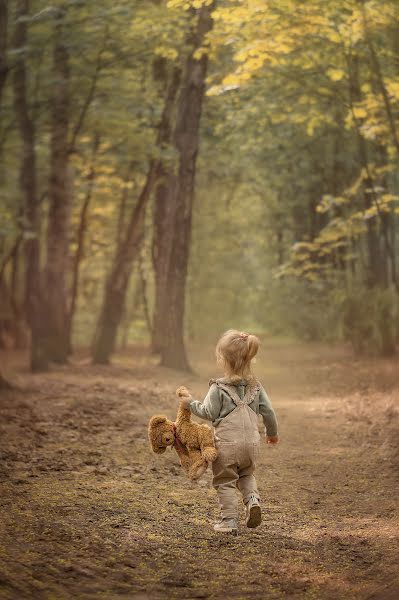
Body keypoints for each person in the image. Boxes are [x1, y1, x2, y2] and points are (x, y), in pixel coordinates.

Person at [178, 329, 279, 535]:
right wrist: (272, 433)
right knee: (246, 474)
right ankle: (252, 501)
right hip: (251, 445)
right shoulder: (256, 386)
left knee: (225, 480)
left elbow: (207, 412)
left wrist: (190, 403)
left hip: (226, 446)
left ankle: (229, 521)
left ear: (224, 360)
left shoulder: (218, 387)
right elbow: (268, 411)